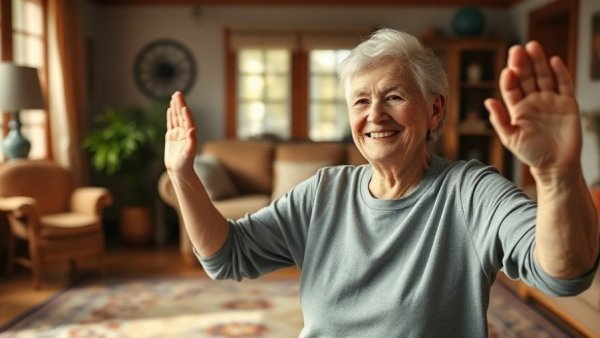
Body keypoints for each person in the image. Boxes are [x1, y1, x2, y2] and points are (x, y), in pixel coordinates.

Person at [164, 28, 600, 337]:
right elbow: (224, 256)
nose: (375, 115)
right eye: (361, 100)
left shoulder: (470, 192)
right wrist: (183, 176)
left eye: (394, 96)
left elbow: (565, 274)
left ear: (434, 111)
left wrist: (556, 174)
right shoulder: (323, 193)